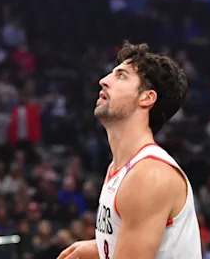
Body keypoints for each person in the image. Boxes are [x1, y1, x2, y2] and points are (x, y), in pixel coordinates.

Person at [58, 42, 201, 259]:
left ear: (146, 98)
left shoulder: (149, 175)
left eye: (121, 76)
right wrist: (102, 247)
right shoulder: (121, 168)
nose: (103, 80)